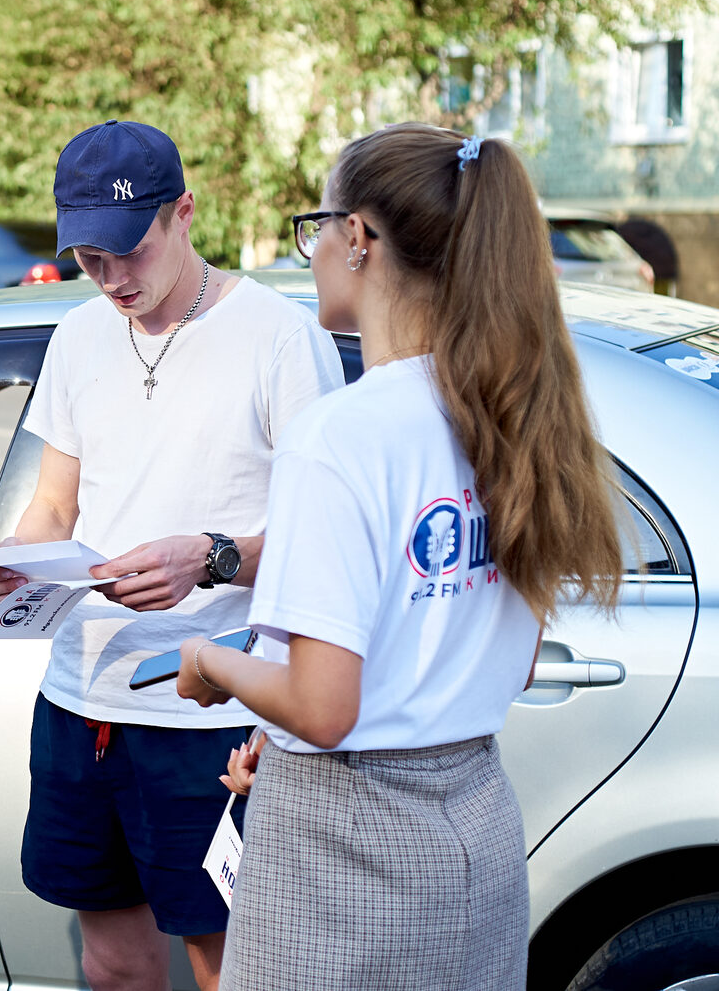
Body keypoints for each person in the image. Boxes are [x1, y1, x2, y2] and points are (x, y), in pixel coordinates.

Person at [177, 124, 623, 990]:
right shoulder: (509, 417)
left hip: (342, 850)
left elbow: (324, 706)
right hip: (476, 828)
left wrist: (211, 663)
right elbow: (509, 658)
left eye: (319, 226)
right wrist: (287, 728)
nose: (312, 253)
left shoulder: (341, 435)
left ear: (360, 239)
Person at [0, 120, 343, 991]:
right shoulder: (78, 337)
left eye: (127, 253)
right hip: (81, 701)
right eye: (89, 259)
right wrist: (16, 562)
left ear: (183, 213)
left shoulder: (282, 342)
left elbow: (328, 544)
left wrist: (210, 558)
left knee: (230, 968)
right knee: (111, 966)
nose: (111, 280)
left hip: (213, 709)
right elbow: (55, 504)